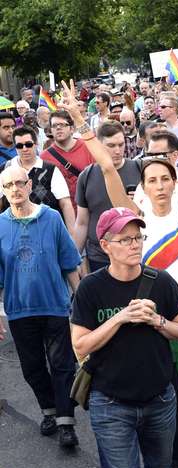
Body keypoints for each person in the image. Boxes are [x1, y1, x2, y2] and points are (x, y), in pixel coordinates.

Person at [63, 73, 178, 468]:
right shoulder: (133, 218)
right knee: (163, 404)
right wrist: (80, 122)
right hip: (146, 323)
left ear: (174, 180)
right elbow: (107, 168)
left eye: (166, 177)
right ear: (142, 188)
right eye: (152, 180)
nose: (161, 185)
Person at [71, 205, 178, 468]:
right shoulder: (91, 289)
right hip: (111, 404)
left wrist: (157, 321)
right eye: (124, 239)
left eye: (137, 237)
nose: (134, 244)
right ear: (105, 245)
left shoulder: (160, 281)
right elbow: (80, 345)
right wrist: (121, 318)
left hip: (159, 398)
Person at [0, 165, 81, 448]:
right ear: (2, 190)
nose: (15, 190)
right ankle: (49, 410)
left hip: (54, 307)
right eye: (8, 185)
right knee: (32, 368)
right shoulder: (0, 225)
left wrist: (81, 301)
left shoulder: (52, 218)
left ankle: (66, 422)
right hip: (20, 310)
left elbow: (69, 262)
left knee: (62, 366)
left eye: (19, 183)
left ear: (29, 184)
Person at [72, 121, 143, 272]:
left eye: (121, 144)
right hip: (99, 255)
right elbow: (82, 222)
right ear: (99, 146)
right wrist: (75, 258)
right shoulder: (86, 175)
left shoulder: (140, 169)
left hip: (134, 252)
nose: (117, 150)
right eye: (111, 146)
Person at [3, 125, 76, 233]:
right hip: (14, 232)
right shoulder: (6, 169)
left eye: (28, 144)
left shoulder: (51, 170)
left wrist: (72, 235)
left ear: (36, 144)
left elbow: (65, 204)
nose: (24, 149)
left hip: (47, 230)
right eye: (19, 145)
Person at [41, 110, 95, 203]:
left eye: (62, 124)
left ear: (72, 129)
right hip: (61, 211)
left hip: (89, 205)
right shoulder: (44, 157)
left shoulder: (88, 148)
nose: (58, 128)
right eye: (54, 125)